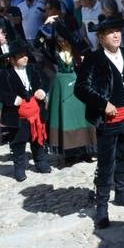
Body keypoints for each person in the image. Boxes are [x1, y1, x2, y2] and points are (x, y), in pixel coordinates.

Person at [76, 15, 124, 229]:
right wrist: (103, 103)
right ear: (101, 38)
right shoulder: (94, 59)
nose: (116, 35)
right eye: (110, 32)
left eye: (118, 31)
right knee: (106, 162)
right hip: (108, 121)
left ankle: (123, 193)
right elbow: (81, 88)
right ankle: (102, 207)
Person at [0, 46, 51, 182]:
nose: (25, 57)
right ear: (12, 59)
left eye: (25, 54)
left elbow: (46, 80)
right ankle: (19, 167)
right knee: (18, 142)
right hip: (17, 116)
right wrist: (12, 99)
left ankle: (40, 161)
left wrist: (42, 90)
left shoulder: (33, 69)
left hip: (36, 113)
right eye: (21, 56)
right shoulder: (5, 74)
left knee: (37, 139)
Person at [41, 33, 95, 164]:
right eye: (59, 40)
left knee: (82, 118)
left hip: (78, 82)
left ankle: (86, 151)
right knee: (65, 118)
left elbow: (87, 49)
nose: (62, 42)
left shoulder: (77, 50)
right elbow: (38, 43)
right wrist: (46, 28)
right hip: (61, 85)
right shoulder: (54, 52)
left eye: (64, 39)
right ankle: (70, 154)